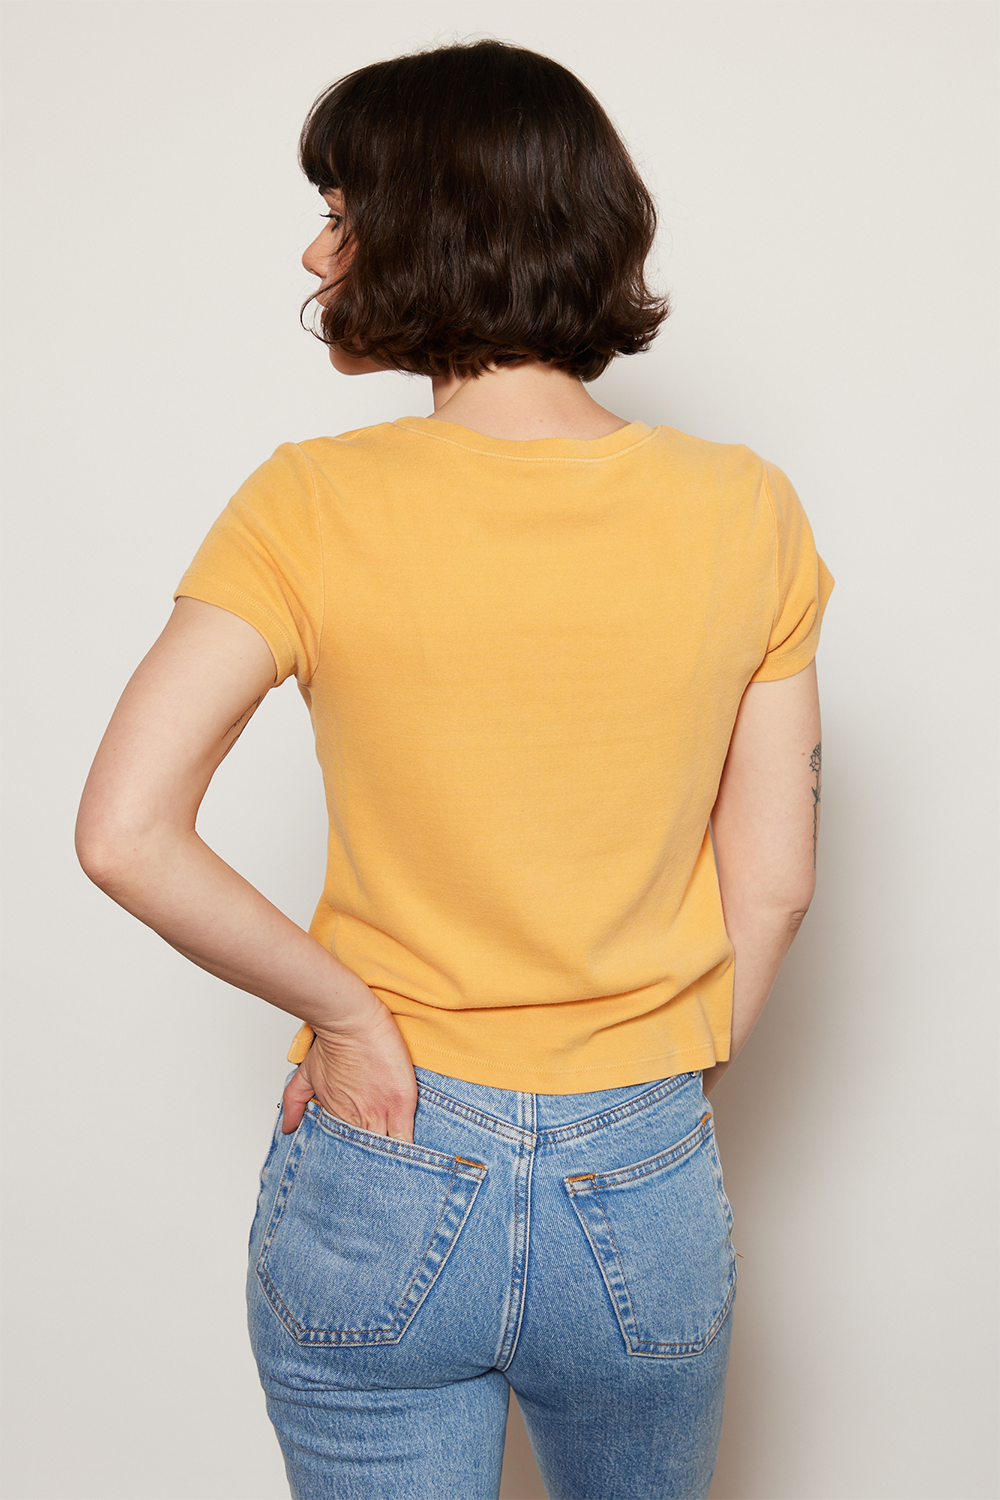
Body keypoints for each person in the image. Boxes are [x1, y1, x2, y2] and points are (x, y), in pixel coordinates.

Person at [76, 38, 832, 1500]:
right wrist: (643, 1100)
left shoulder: (309, 503)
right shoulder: (747, 509)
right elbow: (777, 883)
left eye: (341, 211)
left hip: (389, 1143)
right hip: (643, 1167)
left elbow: (124, 831)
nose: (318, 251)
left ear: (436, 224)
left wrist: (345, 1015)